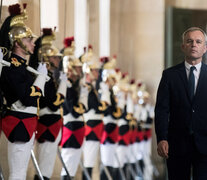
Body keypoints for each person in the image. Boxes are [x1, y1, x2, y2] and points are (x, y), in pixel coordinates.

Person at [0, 4, 47, 180]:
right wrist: (41, 78)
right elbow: (28, 98)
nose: (32, 44)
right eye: (28, 40)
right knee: (17, 173)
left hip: (25, 122)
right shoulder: (13, 67)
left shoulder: (22, 67)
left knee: (20, 171)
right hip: (19, 122)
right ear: (18, 42)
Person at [155, 27, 207, 180]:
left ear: (205, 48)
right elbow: (162, 110)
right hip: (177, 144)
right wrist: (162, 138)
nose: (194, 45)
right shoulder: (169, 75)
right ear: (183, 46)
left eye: (198, 42)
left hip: (205, 144)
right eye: (189, 41)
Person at [29, 28, 67, 180]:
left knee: (47, 165)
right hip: (48, 124)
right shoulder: (46, 79)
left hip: (53, 124)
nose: (58, 60)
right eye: (55, 58)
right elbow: (52, 105)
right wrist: (62, 89)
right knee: (44, 166)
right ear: (47, 58)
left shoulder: (51, 78)